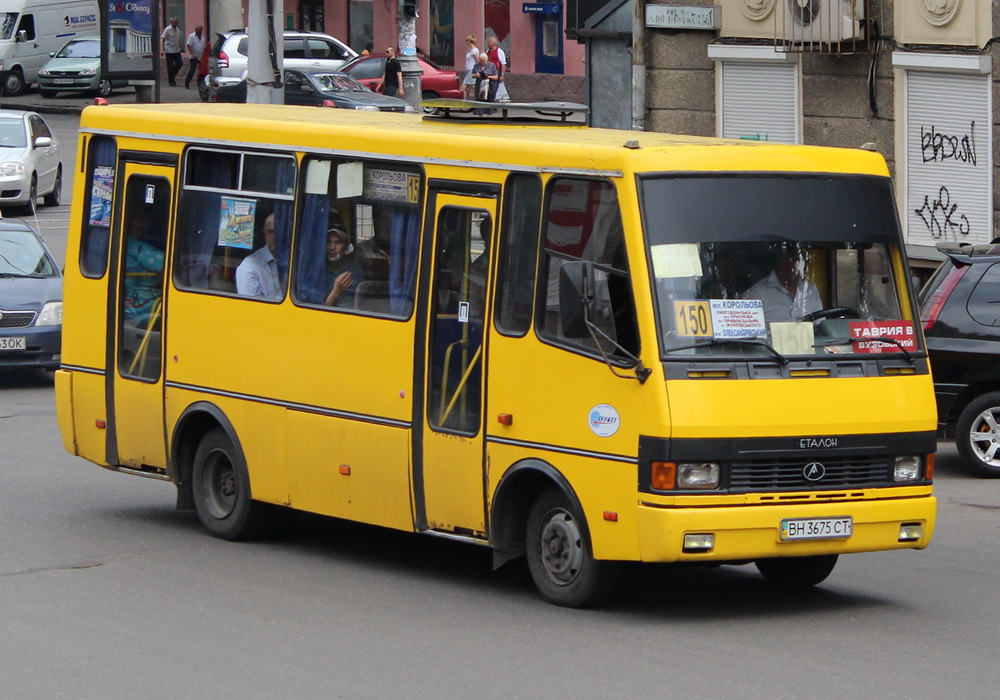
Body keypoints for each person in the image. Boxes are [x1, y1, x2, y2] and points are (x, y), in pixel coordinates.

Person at [742, 245, 822, 323]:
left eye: (805, 260)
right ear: (783, 263)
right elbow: (748, 330)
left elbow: (820, 326)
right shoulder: (757, 293)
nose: (804, 265)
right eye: (797, 260)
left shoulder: (810, 289)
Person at [236, 212, 283, 299]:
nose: (274, 237)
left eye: (278, 232)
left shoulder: (294, 261)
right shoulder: (249, 266)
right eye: (270, 232)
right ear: (264, 232)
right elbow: (251, 307)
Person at [324, 226, 365, 308]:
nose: (332, 247)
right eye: (328, 242)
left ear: (346, 246)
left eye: (337, 242)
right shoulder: (317, 268)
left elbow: (346, 309)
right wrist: (336, 292)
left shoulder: (353, 269)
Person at [160, 17, 183, 87]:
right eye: (175, 22)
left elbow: (178, 38)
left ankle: (172, 75)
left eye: (177, 22)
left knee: (179, 63)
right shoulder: (167, 29)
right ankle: (172, 81)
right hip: (169, 50)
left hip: (177, 49)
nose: (176, 24)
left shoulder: (178, 29)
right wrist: (162, 49)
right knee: (170, 66)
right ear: (172, 23)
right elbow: (162, 39)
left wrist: (180, 45)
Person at [486, 36, 509, 102]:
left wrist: (502, 75)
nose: (488, 43)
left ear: (494, 43)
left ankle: (496, 103)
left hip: (496, 73)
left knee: (496, 88)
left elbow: (503, 64)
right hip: (488, 73)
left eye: (489, 42)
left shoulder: (499, 51)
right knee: (489, 88)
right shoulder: (488, 51)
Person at [184, 25, 206, 89]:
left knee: (201, 71)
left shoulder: (203, 37)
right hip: (193, 57)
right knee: (192, 70)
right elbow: (189, 45)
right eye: (199, 30)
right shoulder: (191, 36)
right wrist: (193, 54)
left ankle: (200, 83)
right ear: (196, 30)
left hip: (201, 56)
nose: (201, 31)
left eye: (201, 30)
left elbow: (203, 46)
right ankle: (187, 83)